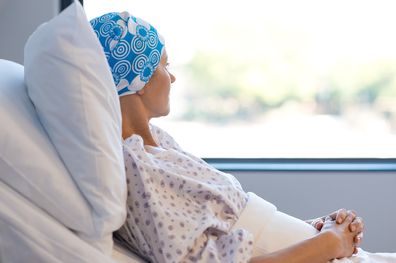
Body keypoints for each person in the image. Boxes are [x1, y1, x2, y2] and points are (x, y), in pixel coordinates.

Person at [90, 12, 394, 263]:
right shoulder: (135, 165)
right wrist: (330, 243)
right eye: (163, 65)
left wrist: (313, 228)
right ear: (139, 77)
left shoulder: (159, 142)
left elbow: (230, 226)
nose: (172, 77)